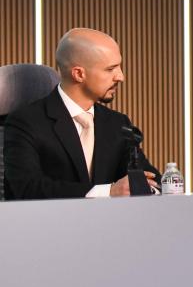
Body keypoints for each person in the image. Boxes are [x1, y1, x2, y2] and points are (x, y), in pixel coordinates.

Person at [3, 28, 159, 200]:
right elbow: (27, 188)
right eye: (110, 69)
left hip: (111, 224)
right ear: (78, 74)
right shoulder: (26, 122)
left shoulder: (117, 124)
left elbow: (150, 179)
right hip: (49, 224)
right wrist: (109, 192)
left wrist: (158, 186)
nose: (120, 77)